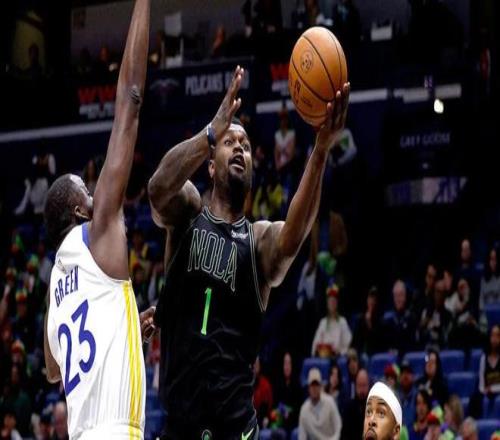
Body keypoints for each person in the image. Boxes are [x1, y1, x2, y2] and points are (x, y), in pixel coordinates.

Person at [143, 64, 350, 439]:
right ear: (210, 165)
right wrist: (211, 131)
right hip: (179, 426)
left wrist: (320, 150)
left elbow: (293, 237)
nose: (240, 147)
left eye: (246, 146)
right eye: (230, 142)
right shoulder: (188, 213)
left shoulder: (259, 240)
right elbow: (157, 191)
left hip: (234, 428)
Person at [42, 0, 150, 438]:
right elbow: (130, 100)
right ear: (79, 211)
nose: (95, 194)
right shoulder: (97, 231)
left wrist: (124, 326)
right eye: (87, 192)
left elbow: (53, 369)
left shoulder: (55, 287)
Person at [299, 368, 342, 440]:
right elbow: (302, 436)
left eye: (316, 385)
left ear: (320, 387)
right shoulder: (304, 409)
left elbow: (338, 426)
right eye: (312, 385)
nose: (314, 388)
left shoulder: (330, 402)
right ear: (308, 388)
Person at [311, 283, 352, 357]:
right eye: (330, 301)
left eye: (334, 301)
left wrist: (340, 351)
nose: (332, 303)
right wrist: (318, 349)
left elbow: (348, 344)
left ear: (337, 303)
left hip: (337, 357)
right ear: (327, 304)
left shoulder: (342, 321)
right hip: (323, 356)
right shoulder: (323, 322)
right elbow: (315, 344)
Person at [384, 279, 417, 355]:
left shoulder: (412, 318)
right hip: (390, 357)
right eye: (396, 295)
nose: (398, 299)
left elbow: (413, 345)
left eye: (400, 295)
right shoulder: (387, 320)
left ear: (405, 296)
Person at [273, 352, 302, 432]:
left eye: (289, 363)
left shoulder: (297, 384)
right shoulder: (278, 384)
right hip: (280, 421)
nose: (287, 367)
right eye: (285, 363)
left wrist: (289, 414)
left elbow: (299, 409)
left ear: (292, 365)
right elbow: (275, 406)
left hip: (294, 421)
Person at [341, 368, 369, 440]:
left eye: (364, 385)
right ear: (355, 386)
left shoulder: (374, 408)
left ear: (368, 385)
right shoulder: (348, 408)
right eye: (359, 385)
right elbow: (344, 435)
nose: (362, 390)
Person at [479, 324, 500, 396]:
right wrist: (484, 390)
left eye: (498, 336)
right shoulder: (483, 358)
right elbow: (481, 386)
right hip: (486, 394)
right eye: (492, 335)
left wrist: (493, 389)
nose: (495, 339)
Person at [479, 246, 500, 310]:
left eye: (495, 259)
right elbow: (481, 298)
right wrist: (483, 309)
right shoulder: (483, 279)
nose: (493, 262)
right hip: (484, 311)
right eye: (491, 259)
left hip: (497, 311)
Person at [399, 361, 417, 429]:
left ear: (413, 376)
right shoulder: (394, 397)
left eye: (408, 372)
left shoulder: (418, 396)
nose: (405, 375)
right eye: (403, 373)